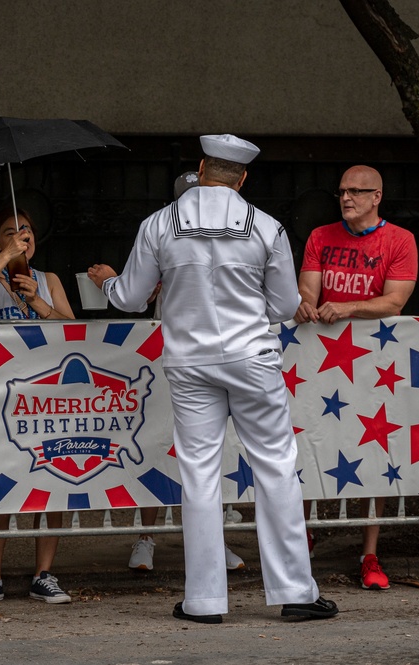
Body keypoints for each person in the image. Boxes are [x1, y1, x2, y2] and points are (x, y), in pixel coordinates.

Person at [88, 134, 337, 623]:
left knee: (199, 475)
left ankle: (203, 600)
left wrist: (108, 282)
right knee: (276, 468)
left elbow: (132, 297)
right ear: (243, 178)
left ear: (201, 168)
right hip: (252, 358)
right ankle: (296, 593)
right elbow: (286, 306)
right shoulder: (266, 227)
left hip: (189, 362)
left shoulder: (159, 223)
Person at [294, 165, 418, 591]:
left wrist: (346, 307)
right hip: (321, 358)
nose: (346, 198)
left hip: (375, 362)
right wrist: (306, 304)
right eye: (342, 191)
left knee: (377, 448)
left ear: (377, 196)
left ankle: (370, 552)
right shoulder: (319, 236)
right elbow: (308, 287)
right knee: (310, 436)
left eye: (356, 191)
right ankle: (302, 536)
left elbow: (396, 300)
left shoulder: (400, 240)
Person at [128, 171, 244, 574]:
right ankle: (146, 538)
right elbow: (135, 297)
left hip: (222, 359)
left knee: (213, 455)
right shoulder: (162, 230)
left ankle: (214, 543)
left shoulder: (237, 230)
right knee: (158, 447)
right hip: (174, 362)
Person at [0, 205, 75, 603]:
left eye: (25, 229)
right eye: (9, 232)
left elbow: (74, 331)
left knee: (51, 481)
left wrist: (41, 305)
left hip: (47, 398)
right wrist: (4, 259)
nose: (20, 236)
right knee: (4, 477)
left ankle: (44, 574)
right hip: (6, 393)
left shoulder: (49, 280)